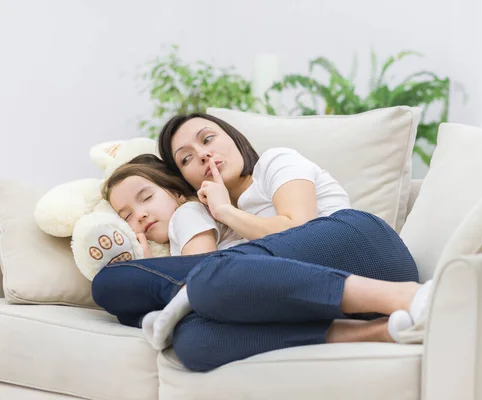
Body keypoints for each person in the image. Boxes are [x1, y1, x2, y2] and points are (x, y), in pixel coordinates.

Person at [91, 113, 432, 372]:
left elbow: (297, 225)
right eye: (186, 159)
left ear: (235, 140)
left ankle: (413, 297)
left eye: (208, 139)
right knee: (192, 342)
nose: (203, 155)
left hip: (363, 248)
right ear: (186, 180)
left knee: (149, 279)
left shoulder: (274, 164)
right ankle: (378, 330)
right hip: (320, 300)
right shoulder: (211, 227)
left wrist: (225, 210)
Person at [102, 153, 245, 259]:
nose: (140, 215)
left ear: (176, 192)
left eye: (147, 198)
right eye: (127, 216)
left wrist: (151, 268)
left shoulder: (187, 213)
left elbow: (201, 269)